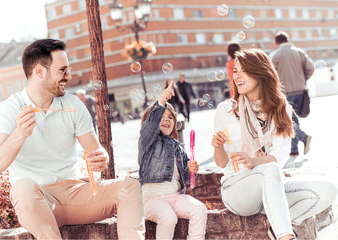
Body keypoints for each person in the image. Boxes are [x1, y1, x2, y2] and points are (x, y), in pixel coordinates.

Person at [0, 39, 145, 240]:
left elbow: (96, 151)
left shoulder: (73, 105)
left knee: (130, 187)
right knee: (22, 187)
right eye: (62, 70)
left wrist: (101, 158)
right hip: (39, 200)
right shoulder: (9, 109)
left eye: (68, 69)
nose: (68, 76)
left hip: (76, 193)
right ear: (39, 72)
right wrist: (19, 134)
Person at [211, 49, 337, 240]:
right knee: (269, 168)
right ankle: (285, 236)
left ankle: (280, 223)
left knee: (328, 188)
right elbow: (221, 163)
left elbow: (280, 155)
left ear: (261, 73)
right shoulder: (227, 109)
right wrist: (218, 146)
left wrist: (252, 160)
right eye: (235, 71)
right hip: (237, 190)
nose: (237, 76)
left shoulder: (282, 109)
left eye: (244, 70)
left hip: (271, 186)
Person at [138, 81, 207, 240]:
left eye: (170, 117)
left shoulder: (179, 149)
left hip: (175, 198)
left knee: (199, 210)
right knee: (168, 217)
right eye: (162, 116)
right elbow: (150, 126)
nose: (167, 119)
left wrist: (192, 170)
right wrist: (162, 101)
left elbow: (189, 178)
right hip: (152, 201)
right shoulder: (148, 142)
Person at [269, 31, 314, 156]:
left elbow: (271, 75)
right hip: (301, 91)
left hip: (285, 93)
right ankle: (294, 150)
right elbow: (310, 68)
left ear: (276, 42)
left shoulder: (275, 54)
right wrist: (302, 79)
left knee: (289, 121)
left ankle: (304, 137)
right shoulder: (299, 52)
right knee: (293, 120)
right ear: (287, 40)